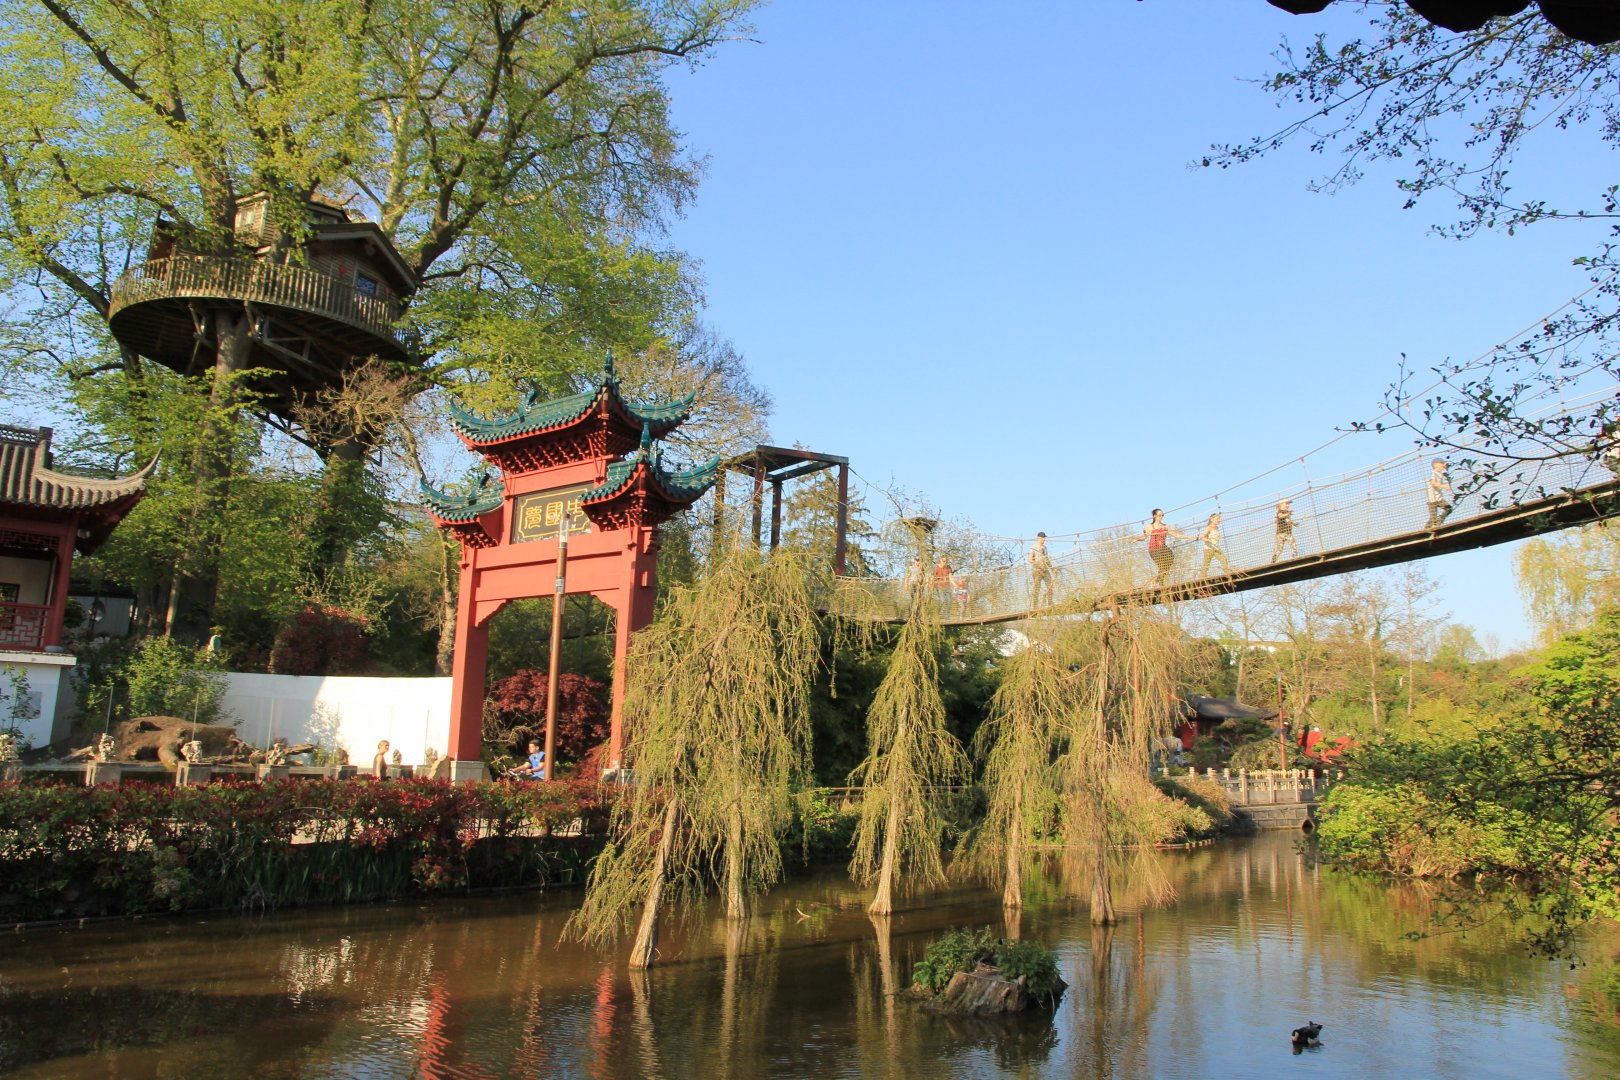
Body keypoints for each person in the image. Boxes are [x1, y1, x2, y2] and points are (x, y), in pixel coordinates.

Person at [1133, 508, 1191, 583]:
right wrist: (1136, 539)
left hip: (1163, 548)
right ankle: (1160, 582)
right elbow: (1144, 537)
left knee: (1170, 558)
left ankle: (1158, 580)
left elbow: (1176, 535)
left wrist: (1189, 537)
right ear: (1154, 516)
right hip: (1154, 549)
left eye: (1162, 515)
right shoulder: (1150, 526)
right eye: (1160, 515)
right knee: (1162, 566)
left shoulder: (1165, 527)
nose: (1161, 517)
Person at [1028, 532, 1055, 607]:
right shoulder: (1033, 547)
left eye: (1044, 538)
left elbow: (1047, 559)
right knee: (1037, 588)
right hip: (1037, 571)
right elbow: (1030, 559)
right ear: (1038, 538)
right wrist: (1037, 563)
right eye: (1043, 538)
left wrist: (1052, 569)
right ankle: (1035, 606)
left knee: (1050, 585)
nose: (1044, 539)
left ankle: (1050, 603)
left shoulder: (1045, 548)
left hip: (1045, 570)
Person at [1425, 459, 1452, 529]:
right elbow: (1433, 483)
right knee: (1433, 519)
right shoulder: (1434, 474)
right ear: (1436, 465)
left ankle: (1439, 521)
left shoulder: (1440, 474)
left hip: (1439, 499)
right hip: (1432, 500)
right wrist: (1444, 486)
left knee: (1448, 508)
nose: (1443, 465)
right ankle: (1426, 529)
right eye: (1441, 463)